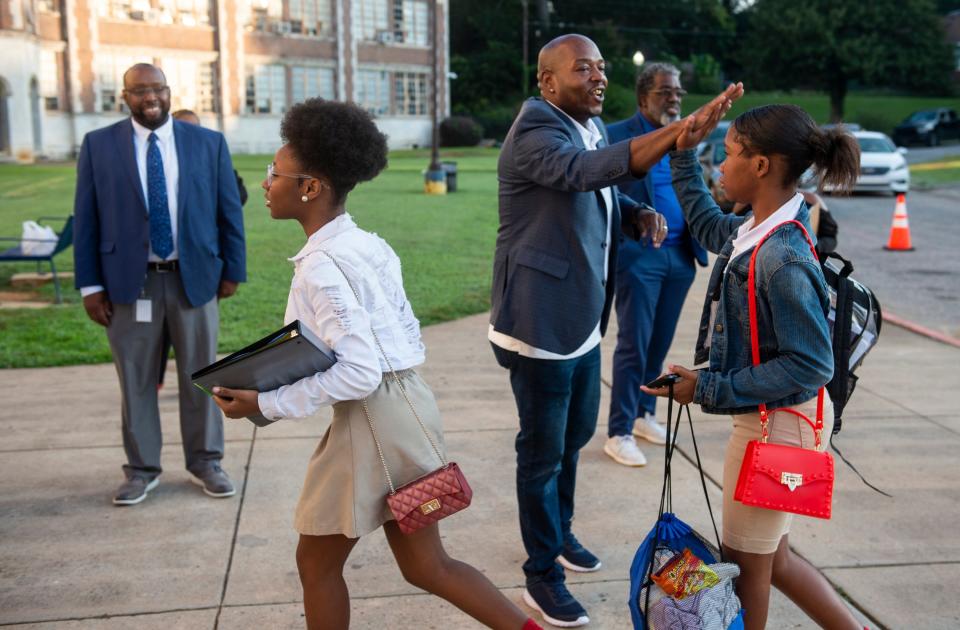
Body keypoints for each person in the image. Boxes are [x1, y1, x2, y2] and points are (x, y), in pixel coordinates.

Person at [208, 98, 542, 630]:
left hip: (371, 420)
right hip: (408, 403)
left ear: (310, 187)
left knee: (315, 563)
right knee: (428, 566)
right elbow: (397, 337)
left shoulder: (321, 265)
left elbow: (359, 370)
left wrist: (265, 402)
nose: (267, 182)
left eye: (275, 173)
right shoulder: (369, 245)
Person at [490, 33, 742, 627]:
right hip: (540, 320)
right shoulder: (534, 131)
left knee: (576, 433)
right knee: (543, 451)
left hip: (580, 316)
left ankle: (562, 534)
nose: (598, 77)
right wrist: (676, 137)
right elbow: (578, 174)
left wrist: (636, 213)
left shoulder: (588, 125)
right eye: (584, 69)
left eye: (602, 68)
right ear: (548, 81)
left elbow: (596, 190)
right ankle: (540, 572)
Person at [642, 104, 863, 630]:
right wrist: (682, 158)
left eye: (730, 154)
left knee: (745, 567)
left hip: (780, 426)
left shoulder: (781, 255)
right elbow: (710, 227)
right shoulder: (759, 228)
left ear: (762, 166)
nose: (721, 163)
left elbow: (811, 363)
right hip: (776, 419)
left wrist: (708, 388)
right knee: (775, 561)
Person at [73, 63, 246, 506]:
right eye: (139, 91)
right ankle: (142, 469)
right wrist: (90, 286)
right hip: (130, 285)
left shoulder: (207, 143)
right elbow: (87, 220)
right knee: (135, 380)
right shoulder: (99, 145)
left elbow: (229, 211)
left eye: (157, 89)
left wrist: (233, 269)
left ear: (169, 92)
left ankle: (206, 461)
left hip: (195, 279)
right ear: (125, 97)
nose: (150, 98)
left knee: (202, 376)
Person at [602, 63, 710, 467]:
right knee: (634, 342)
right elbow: (606, 195)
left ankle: (645, 414)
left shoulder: (684, 139)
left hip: (682, 256)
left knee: (660, 342)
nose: (675, 99)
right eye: (666, 92)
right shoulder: (616, 136)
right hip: (640, 257)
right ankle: (619, 431)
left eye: (678, 92)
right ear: (643, 97)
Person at [153, 109, 249, 391]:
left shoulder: (211, 152)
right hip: (159, 268)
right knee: (159, 333)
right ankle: (156, 379)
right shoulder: (161, 161)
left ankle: (196, 385)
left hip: (201, 264)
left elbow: (235, 198)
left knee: (197, 336)